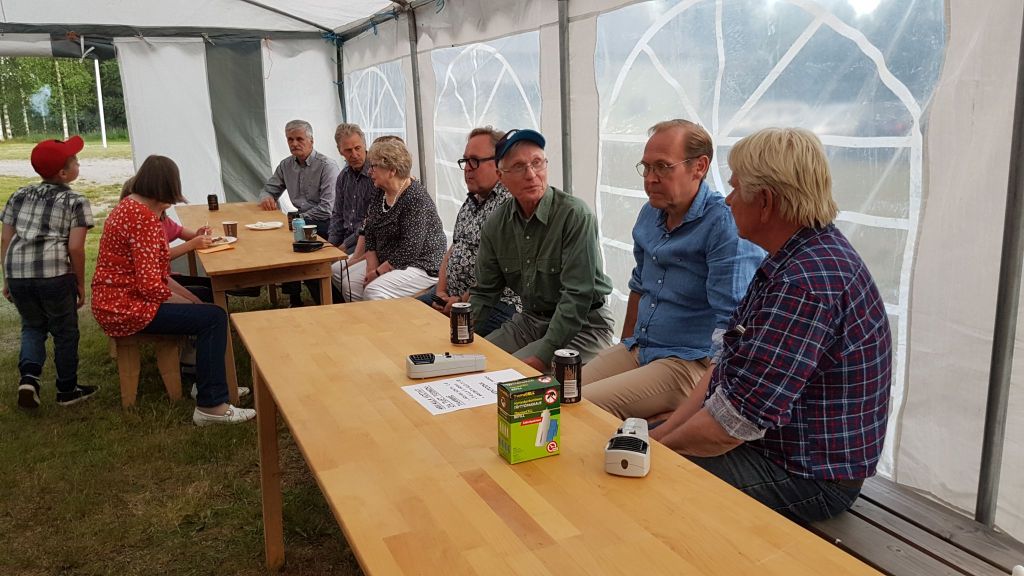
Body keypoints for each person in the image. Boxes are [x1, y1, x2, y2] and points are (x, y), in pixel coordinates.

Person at [649, 127, 892, 523]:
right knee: (644, 444)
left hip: (810, 475)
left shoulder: (805, 283)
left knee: (653, 484)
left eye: (735, 188)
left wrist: (658, 452)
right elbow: (725, 369)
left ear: (764, 202)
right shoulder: (796, 255)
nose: (728, 200)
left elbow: (735, 422)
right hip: (776, 448)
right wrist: (658, 438)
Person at [583, 120, 763, 420]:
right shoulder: (650, 213)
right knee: (558, 391)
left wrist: (708, 403)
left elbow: (733, 321)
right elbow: (639, 286)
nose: (650, 179)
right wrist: (625, 346)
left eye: (663, 167)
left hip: (688, 361)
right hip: (641, 348)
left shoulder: (723, 224)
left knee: (581, 406)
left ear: (699, 167)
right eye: (646, 167)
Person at [92, 155, 256, 426]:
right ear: (164, 189)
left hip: (119, 300)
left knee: (207, 299)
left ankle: (207, 381)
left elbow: (159, 274)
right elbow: (150, 287)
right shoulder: (143, 219)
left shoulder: (131, 207)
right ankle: (211, 406)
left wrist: (192, 300)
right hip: (125, 308)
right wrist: (188, 305)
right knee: (213, 318)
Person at [470, 129, 615, 373]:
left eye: (537, 163)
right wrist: (462, 337)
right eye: (518, 167)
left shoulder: (574, 215)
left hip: (586, 326)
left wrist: (544, 356)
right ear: (501, 176)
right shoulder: (497, 224)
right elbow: (485, 292)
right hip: (530, 321)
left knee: (509, 375)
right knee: (473, 362)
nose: (531, 174)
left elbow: (577, 297)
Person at [1, 135, 96, 408]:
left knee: (32, 326)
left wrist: (7, 278)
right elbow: (75, 247)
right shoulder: (76, 201)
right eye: (75, 160)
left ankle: (29, 379)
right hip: (54, 275)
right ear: (64, 173)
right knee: (65, 331)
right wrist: (79, 283)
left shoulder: (19, 195)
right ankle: (67, 389)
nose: (79, 163)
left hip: (18, 273)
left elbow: (5, 239)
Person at [416, 126, 521, 336]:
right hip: (453, 296)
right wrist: (440, 291)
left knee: (439, 336)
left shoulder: (509, 206)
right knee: (409, 314)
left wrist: (460, 301)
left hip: (496, 302)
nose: (467, 168)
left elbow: (496, 273)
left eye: (475, 161)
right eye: (465, 161)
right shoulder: (471, 201)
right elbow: (453, 249)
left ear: (499, 163)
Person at [331, 137, 446, 301]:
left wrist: (377, 273)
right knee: (350, 284)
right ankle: (365, 317)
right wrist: (371, 265)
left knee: (373, 290)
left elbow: (410, 249)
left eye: (374, 167)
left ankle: (384, 317)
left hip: (421, 264)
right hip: (388, 258)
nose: (369, 172)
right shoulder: (380, 192)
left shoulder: (415, 197)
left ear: (392, 170)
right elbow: (369, 229)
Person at [258, 119, 340, 306]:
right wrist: (267, 198)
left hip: (327, 222)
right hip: (302, 219)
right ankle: (294, 297)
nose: (294, 143)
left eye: (299, 139)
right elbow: (268, 189)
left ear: (311, 141)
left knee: (292, 236)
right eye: (290, 139)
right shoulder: (285, 165)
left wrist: (297, 219)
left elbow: (327, 208)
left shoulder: (327, 166)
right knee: (284, 237)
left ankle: (302, 297)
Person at [327, 123, 376, 255]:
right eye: (348, 150)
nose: (354, 154)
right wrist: (330, 245)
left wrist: (344, 246)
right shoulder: (343, 177)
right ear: (340, 151)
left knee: (336, 266)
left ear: (365, 145)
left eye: (357, 148)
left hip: (367, 242)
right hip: (346, 239)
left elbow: (372, 222)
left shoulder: (376, 174)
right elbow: (337, 216)